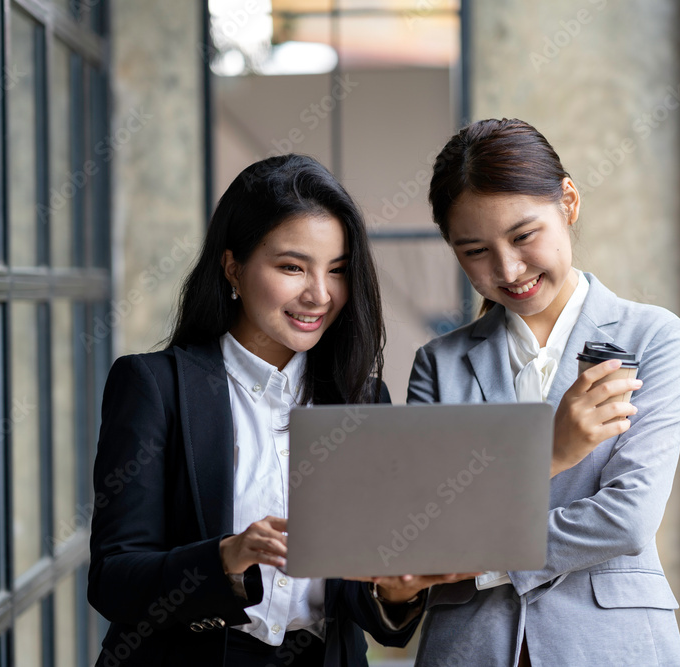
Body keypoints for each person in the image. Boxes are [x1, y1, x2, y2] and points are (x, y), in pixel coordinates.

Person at [87, 154, 464, 666]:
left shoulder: (363, 400)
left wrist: (397, 589)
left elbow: (372, 613)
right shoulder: (155, 386)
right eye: (292, 267)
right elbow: (113, 581)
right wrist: (225, 557)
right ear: (232, 266)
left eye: (336, 270)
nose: (319, 294)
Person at [407, 119, 680, 666]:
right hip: (469, 648)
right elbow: (428, 525)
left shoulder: (655, 338)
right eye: (475, 251)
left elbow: (627, 518)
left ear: (568, 200)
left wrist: (475, 555)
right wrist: (550, 451)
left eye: (523, 236)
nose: (508, 269)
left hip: (612, 644)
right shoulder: (438, 365)